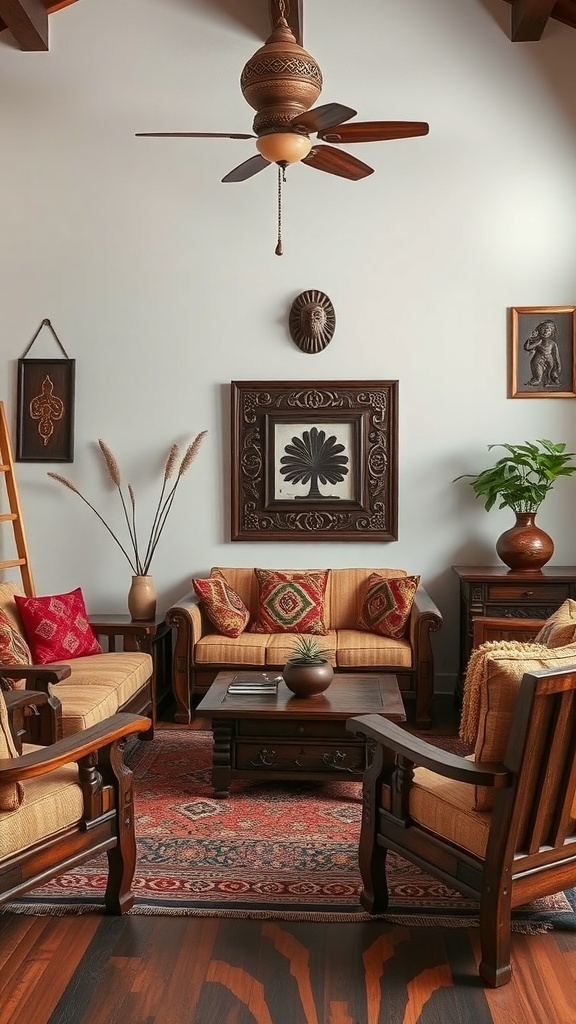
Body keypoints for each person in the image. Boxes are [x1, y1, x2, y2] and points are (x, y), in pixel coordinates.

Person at [523, 319, 561, 387]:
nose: (546, 331)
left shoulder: (553, 344)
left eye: (548, 330)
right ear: (539, 331)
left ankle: (553, 382)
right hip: (538, 362)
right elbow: (527, 348)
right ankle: (535, 381)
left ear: (551, 333)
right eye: (544, 329)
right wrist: (530, 339)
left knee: (552, 375)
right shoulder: (539, 341)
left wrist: (558, 364)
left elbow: (556, 355)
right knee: (538, 379)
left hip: (549, 362)